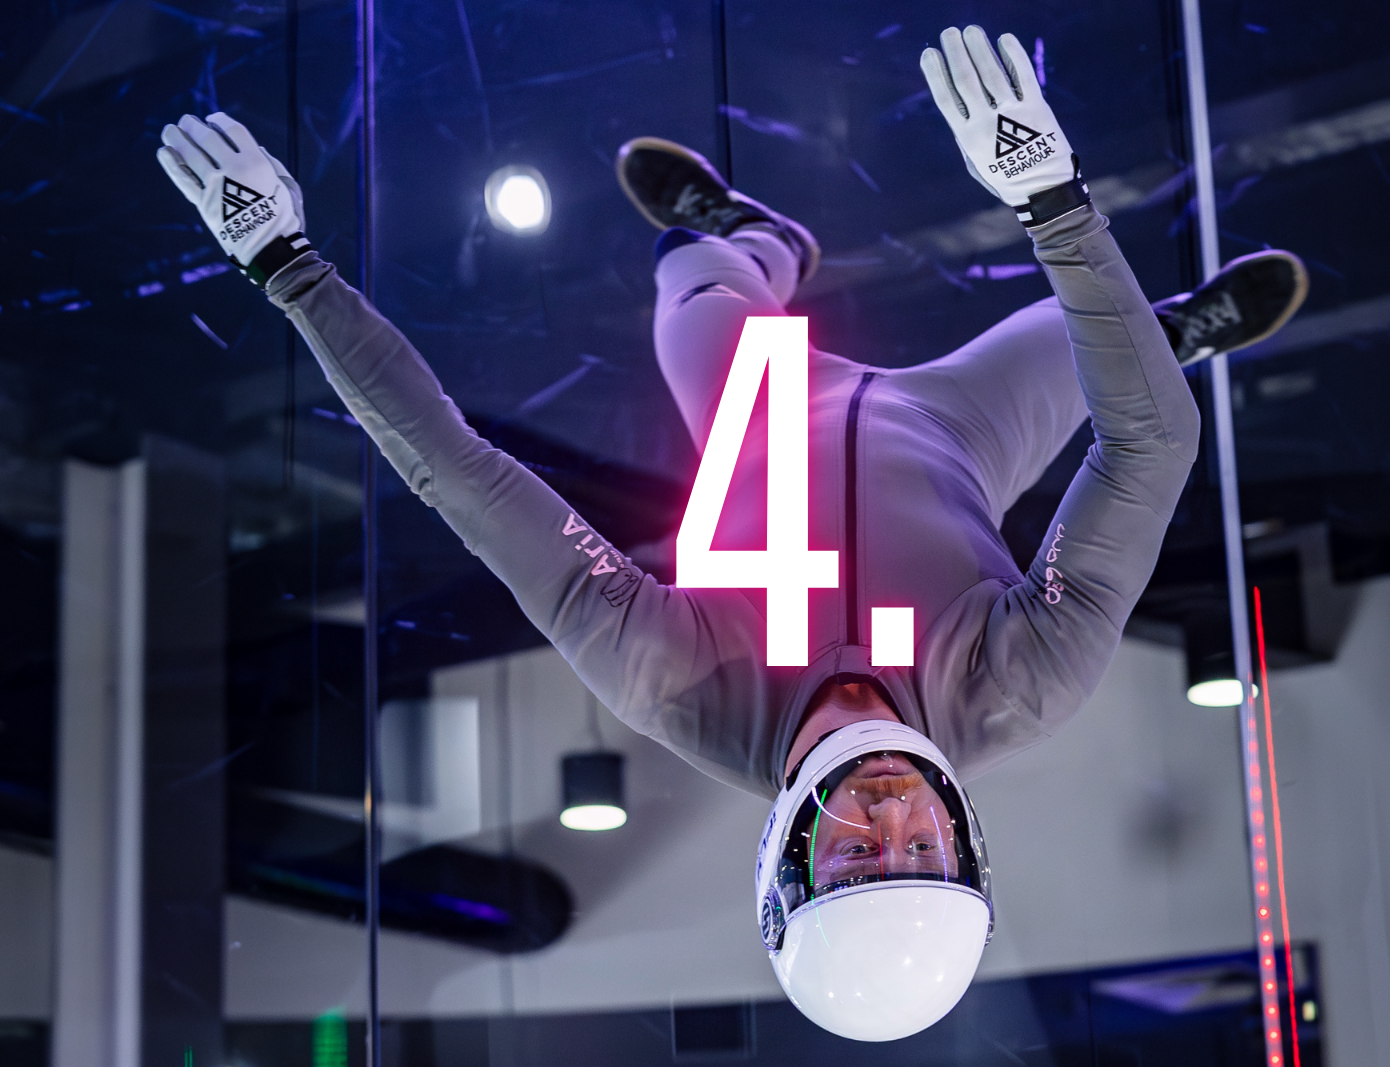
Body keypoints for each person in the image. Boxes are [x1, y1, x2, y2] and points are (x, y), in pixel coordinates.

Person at [155, 24, 1306, 1042]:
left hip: (761, 407)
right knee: (1105, 363)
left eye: (858, 856)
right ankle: (1170, 329)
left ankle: (756, 236)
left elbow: (456, 472)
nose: (889, 816)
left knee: (692, 290)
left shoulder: (678, 677)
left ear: (788, 863)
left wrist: (288, 270)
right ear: (970, 851)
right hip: (963, 434)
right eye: (920, 854)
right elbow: (1148, 449)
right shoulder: (1021, 682)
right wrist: (1051, 198)